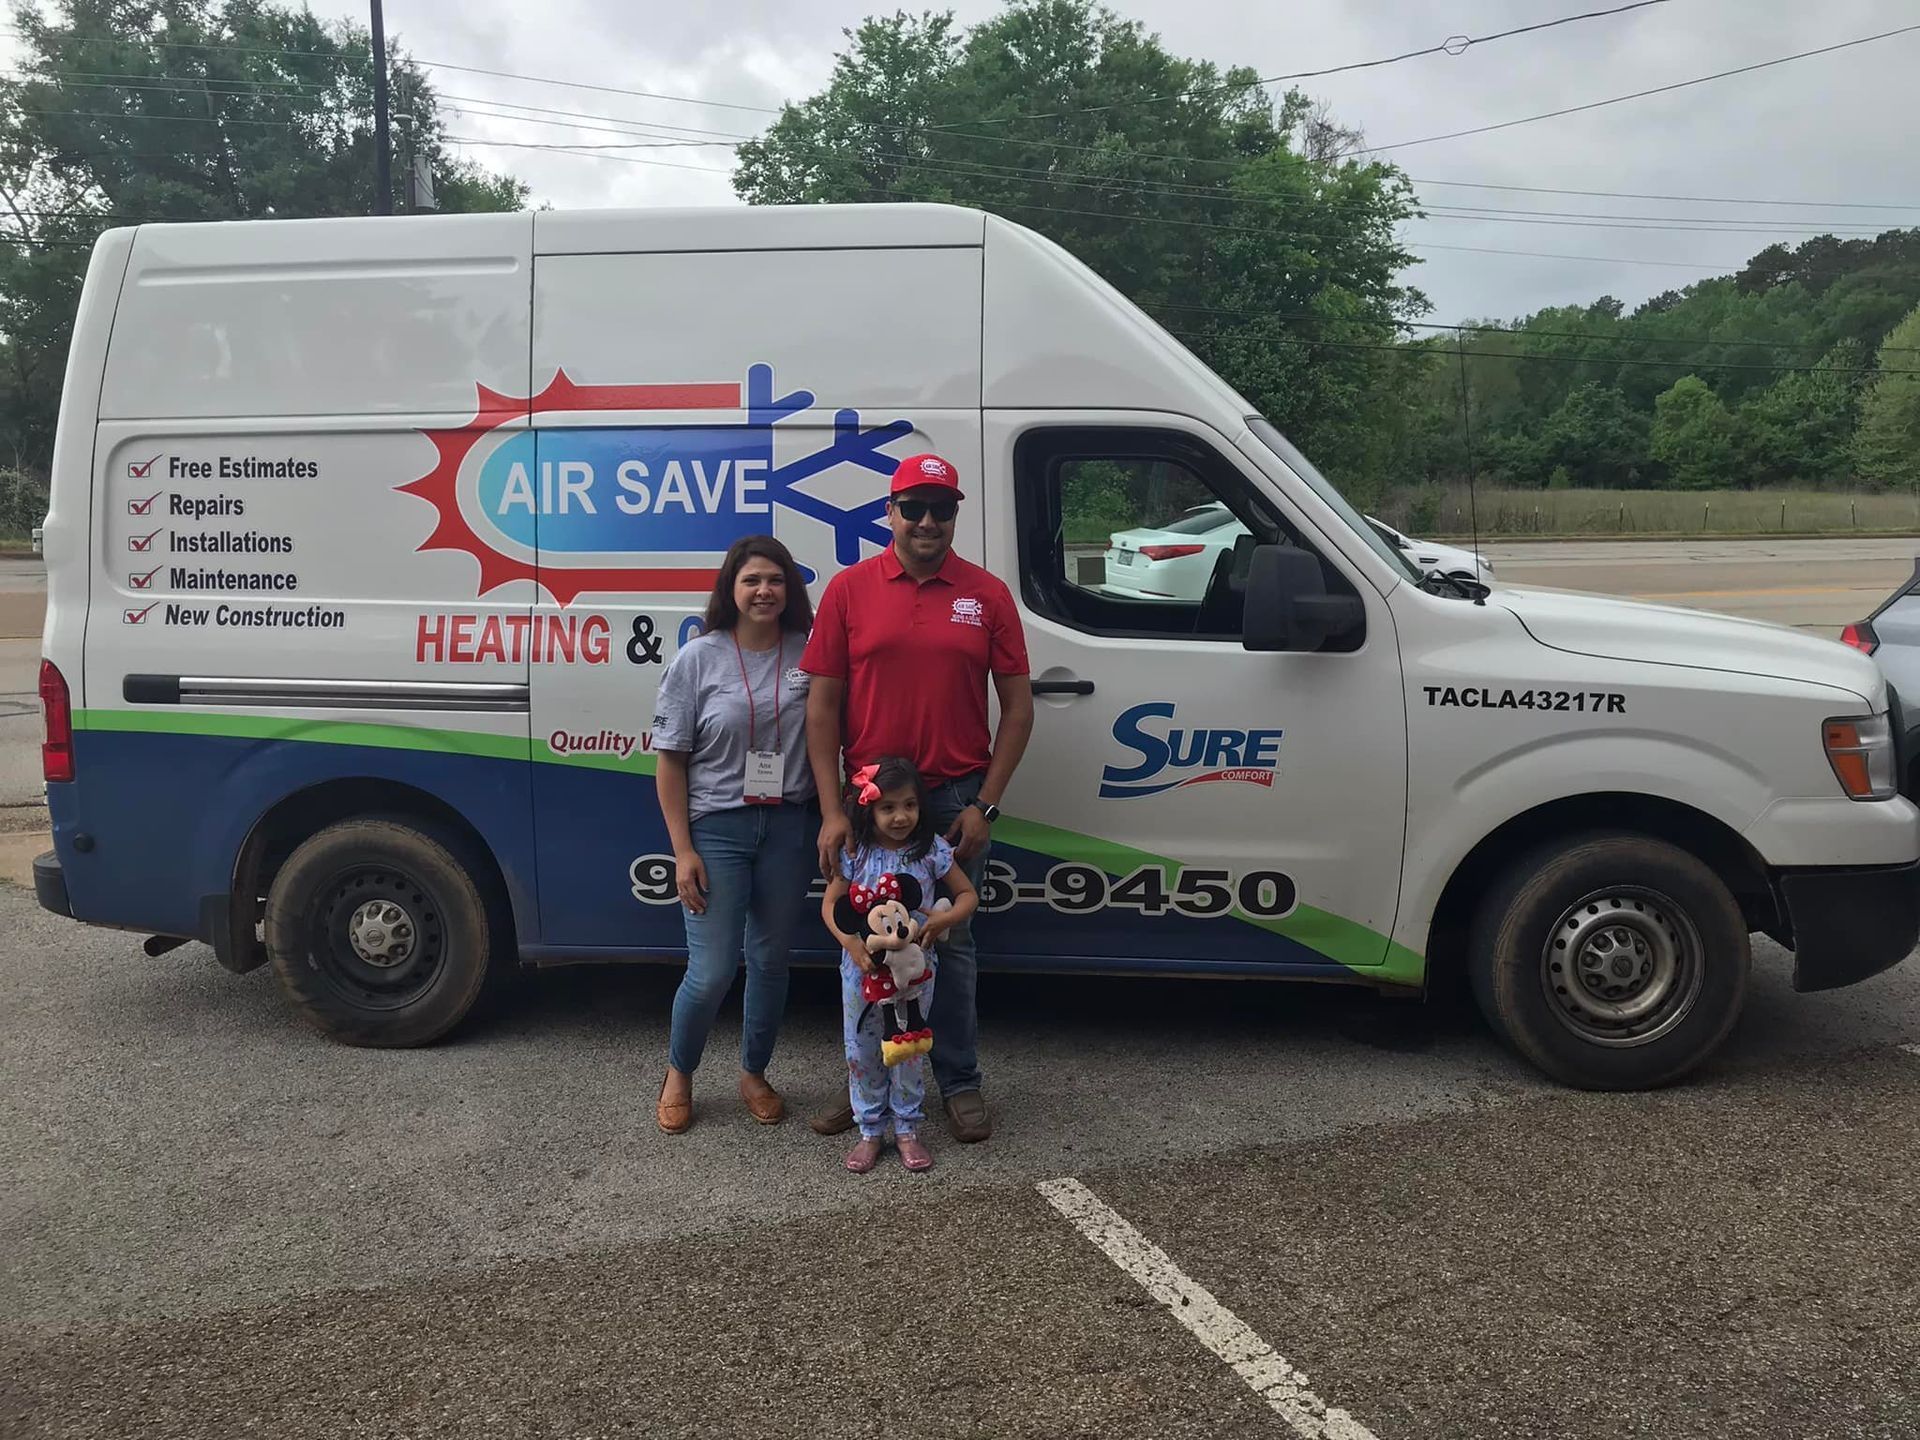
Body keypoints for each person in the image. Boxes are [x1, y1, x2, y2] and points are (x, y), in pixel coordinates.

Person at [802, 452, 1034, 1143]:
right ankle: (866, 1081)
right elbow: (821, 708)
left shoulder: (987, 594)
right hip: (871, 803)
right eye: (915, 507)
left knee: (950, 948)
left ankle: (959, 1084)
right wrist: (833, 810)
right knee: (864, 946)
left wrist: (984, 806)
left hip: (954, 797)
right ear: (890, 512)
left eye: (943, 508)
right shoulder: (849, 590)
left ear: (956, 514)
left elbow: (1018, 709)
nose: (928, 520)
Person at [652, 535, 817, 1135]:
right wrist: (683, 850)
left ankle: (754, 1071)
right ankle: (679, 1071)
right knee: (714, 968)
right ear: (731, 589)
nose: (764, 591)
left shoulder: (811, 652)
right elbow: (670, 761)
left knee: (772, 960)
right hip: (717, 827)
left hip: (790, 824)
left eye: (775, 580)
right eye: (751, 580)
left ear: (789, 589)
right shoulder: (698, 658)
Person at [822, 757, 980, 1172]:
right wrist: (849, 942)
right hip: (861, 973)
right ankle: (870, 1130)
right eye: (888, 807)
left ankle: (908, 1127)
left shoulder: (932, 851)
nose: (900, 817)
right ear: (868, 809)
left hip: (914, 974)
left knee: (908, 1047)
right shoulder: (855, 853)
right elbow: (831, 904)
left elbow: (967, 895)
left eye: (909, 806)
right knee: (862, 1049)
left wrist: (944, 918)